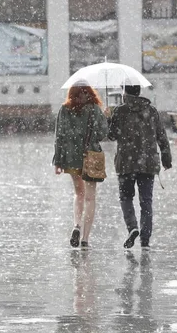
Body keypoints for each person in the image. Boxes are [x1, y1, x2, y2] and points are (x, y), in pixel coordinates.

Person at [107, 85, 172, 250]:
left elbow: (111, 135)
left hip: (125, 164)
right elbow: (162, 137)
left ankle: (132, 227)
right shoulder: (151, 111)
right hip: (148, 163)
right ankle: (145, 239)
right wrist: (166, 159)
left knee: (126, 198)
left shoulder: (119, 112)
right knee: (146, 201)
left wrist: (108, 118)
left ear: (125, 93)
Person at [53, 83, 108, 249]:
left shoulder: (65, 110)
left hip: (72, 157)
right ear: (90, 92)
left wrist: (58, 161)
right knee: (90, 197)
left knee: (79, 193)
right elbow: (102, 134)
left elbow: (59, 136)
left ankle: (76, 225)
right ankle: (85, 239)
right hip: (91, 155)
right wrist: (105, 118)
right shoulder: (94, 109)